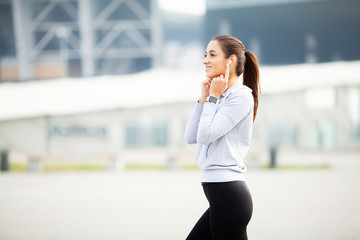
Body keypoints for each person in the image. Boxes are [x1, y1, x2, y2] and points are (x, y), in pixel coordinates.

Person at [184, 35, 260, 240]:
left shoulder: (241, 96)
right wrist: (203, 99)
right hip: (221, 197)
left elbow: (205, 135)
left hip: (229, 195)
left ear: (231, 60)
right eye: (205, 54)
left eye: (212, 54)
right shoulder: (218, 96)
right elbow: (191, 136)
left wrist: (213, 98)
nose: (205, 60)